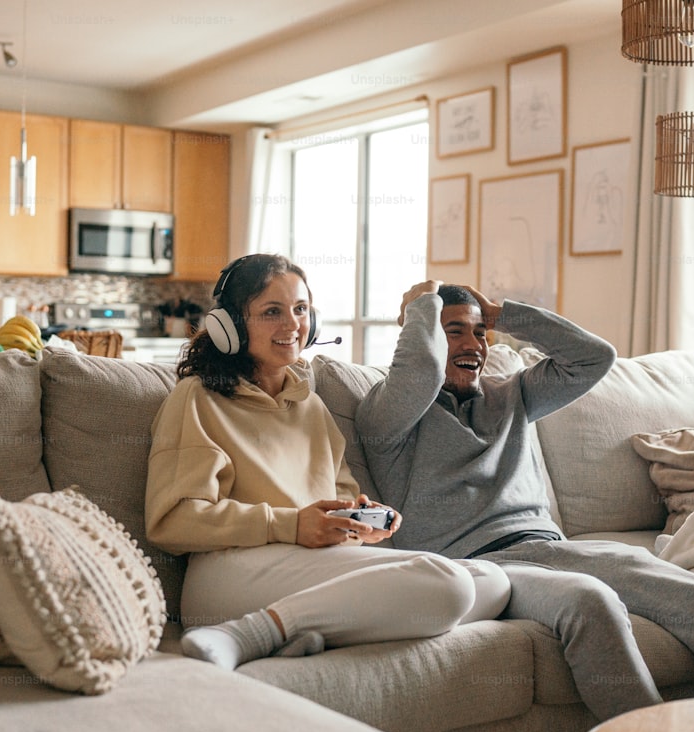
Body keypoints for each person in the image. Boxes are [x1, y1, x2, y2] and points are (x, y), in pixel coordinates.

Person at [355, 280, 694, 721]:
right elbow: (416, 375)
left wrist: (505, 314)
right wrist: (422, 304)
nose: (473, 344)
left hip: (553, 548)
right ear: (425, 339)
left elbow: (594, 358)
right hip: (479, 568)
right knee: (591, 604)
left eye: (480, 333)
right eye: (453, 332)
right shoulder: (387, 417)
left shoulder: (510, 394)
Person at [144, 256, 510, 671]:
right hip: (228, 571)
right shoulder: (198, 398)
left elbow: (340, 498)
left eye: (300, 309)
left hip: (305, 565)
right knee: (450, 584)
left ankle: (303, 630)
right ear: (228, 325)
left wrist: (358, 521)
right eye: (271, 312)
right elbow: (172, 520)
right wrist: (289, 524)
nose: (292, 325)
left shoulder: (311, 406)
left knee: (492, 583)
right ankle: (241, 634)